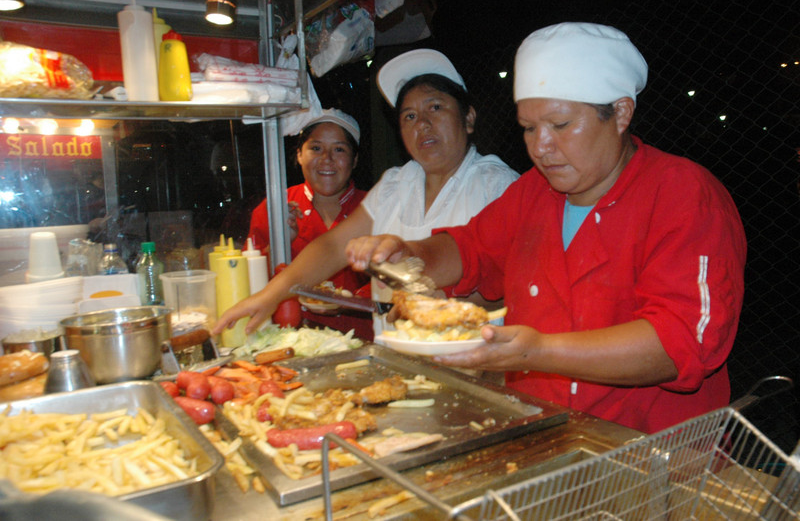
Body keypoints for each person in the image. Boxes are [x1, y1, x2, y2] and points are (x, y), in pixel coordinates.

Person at [345, 22, 747, 434]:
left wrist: (536, 352)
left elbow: (678, 343)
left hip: (654, 452)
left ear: (621, 113)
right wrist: (409, 254)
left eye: (560, 125)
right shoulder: (535, 192)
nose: (540, 147)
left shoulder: (682, 194)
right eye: (529, 128)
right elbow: (470, 249)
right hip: (546, 435)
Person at [214, 48, 520, 340]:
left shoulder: (498, 185)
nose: (422, 124)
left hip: (475, 366)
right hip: (398, 359)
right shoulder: (397, 183)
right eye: (409, 116)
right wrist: (272, 295)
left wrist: (441, 303)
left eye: (435, 107)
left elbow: (513, 288)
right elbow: (333, 247)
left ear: (468, 118)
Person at [247, 108, 371, 338]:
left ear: (354, 160)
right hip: (290, 336)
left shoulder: (374, 207)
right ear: (299, 155)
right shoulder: (274, 209)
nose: (327, 159)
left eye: (339, 149)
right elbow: (248, 285)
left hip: (362, 336)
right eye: (316, 148)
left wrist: (356, 297)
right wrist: (277, 246)